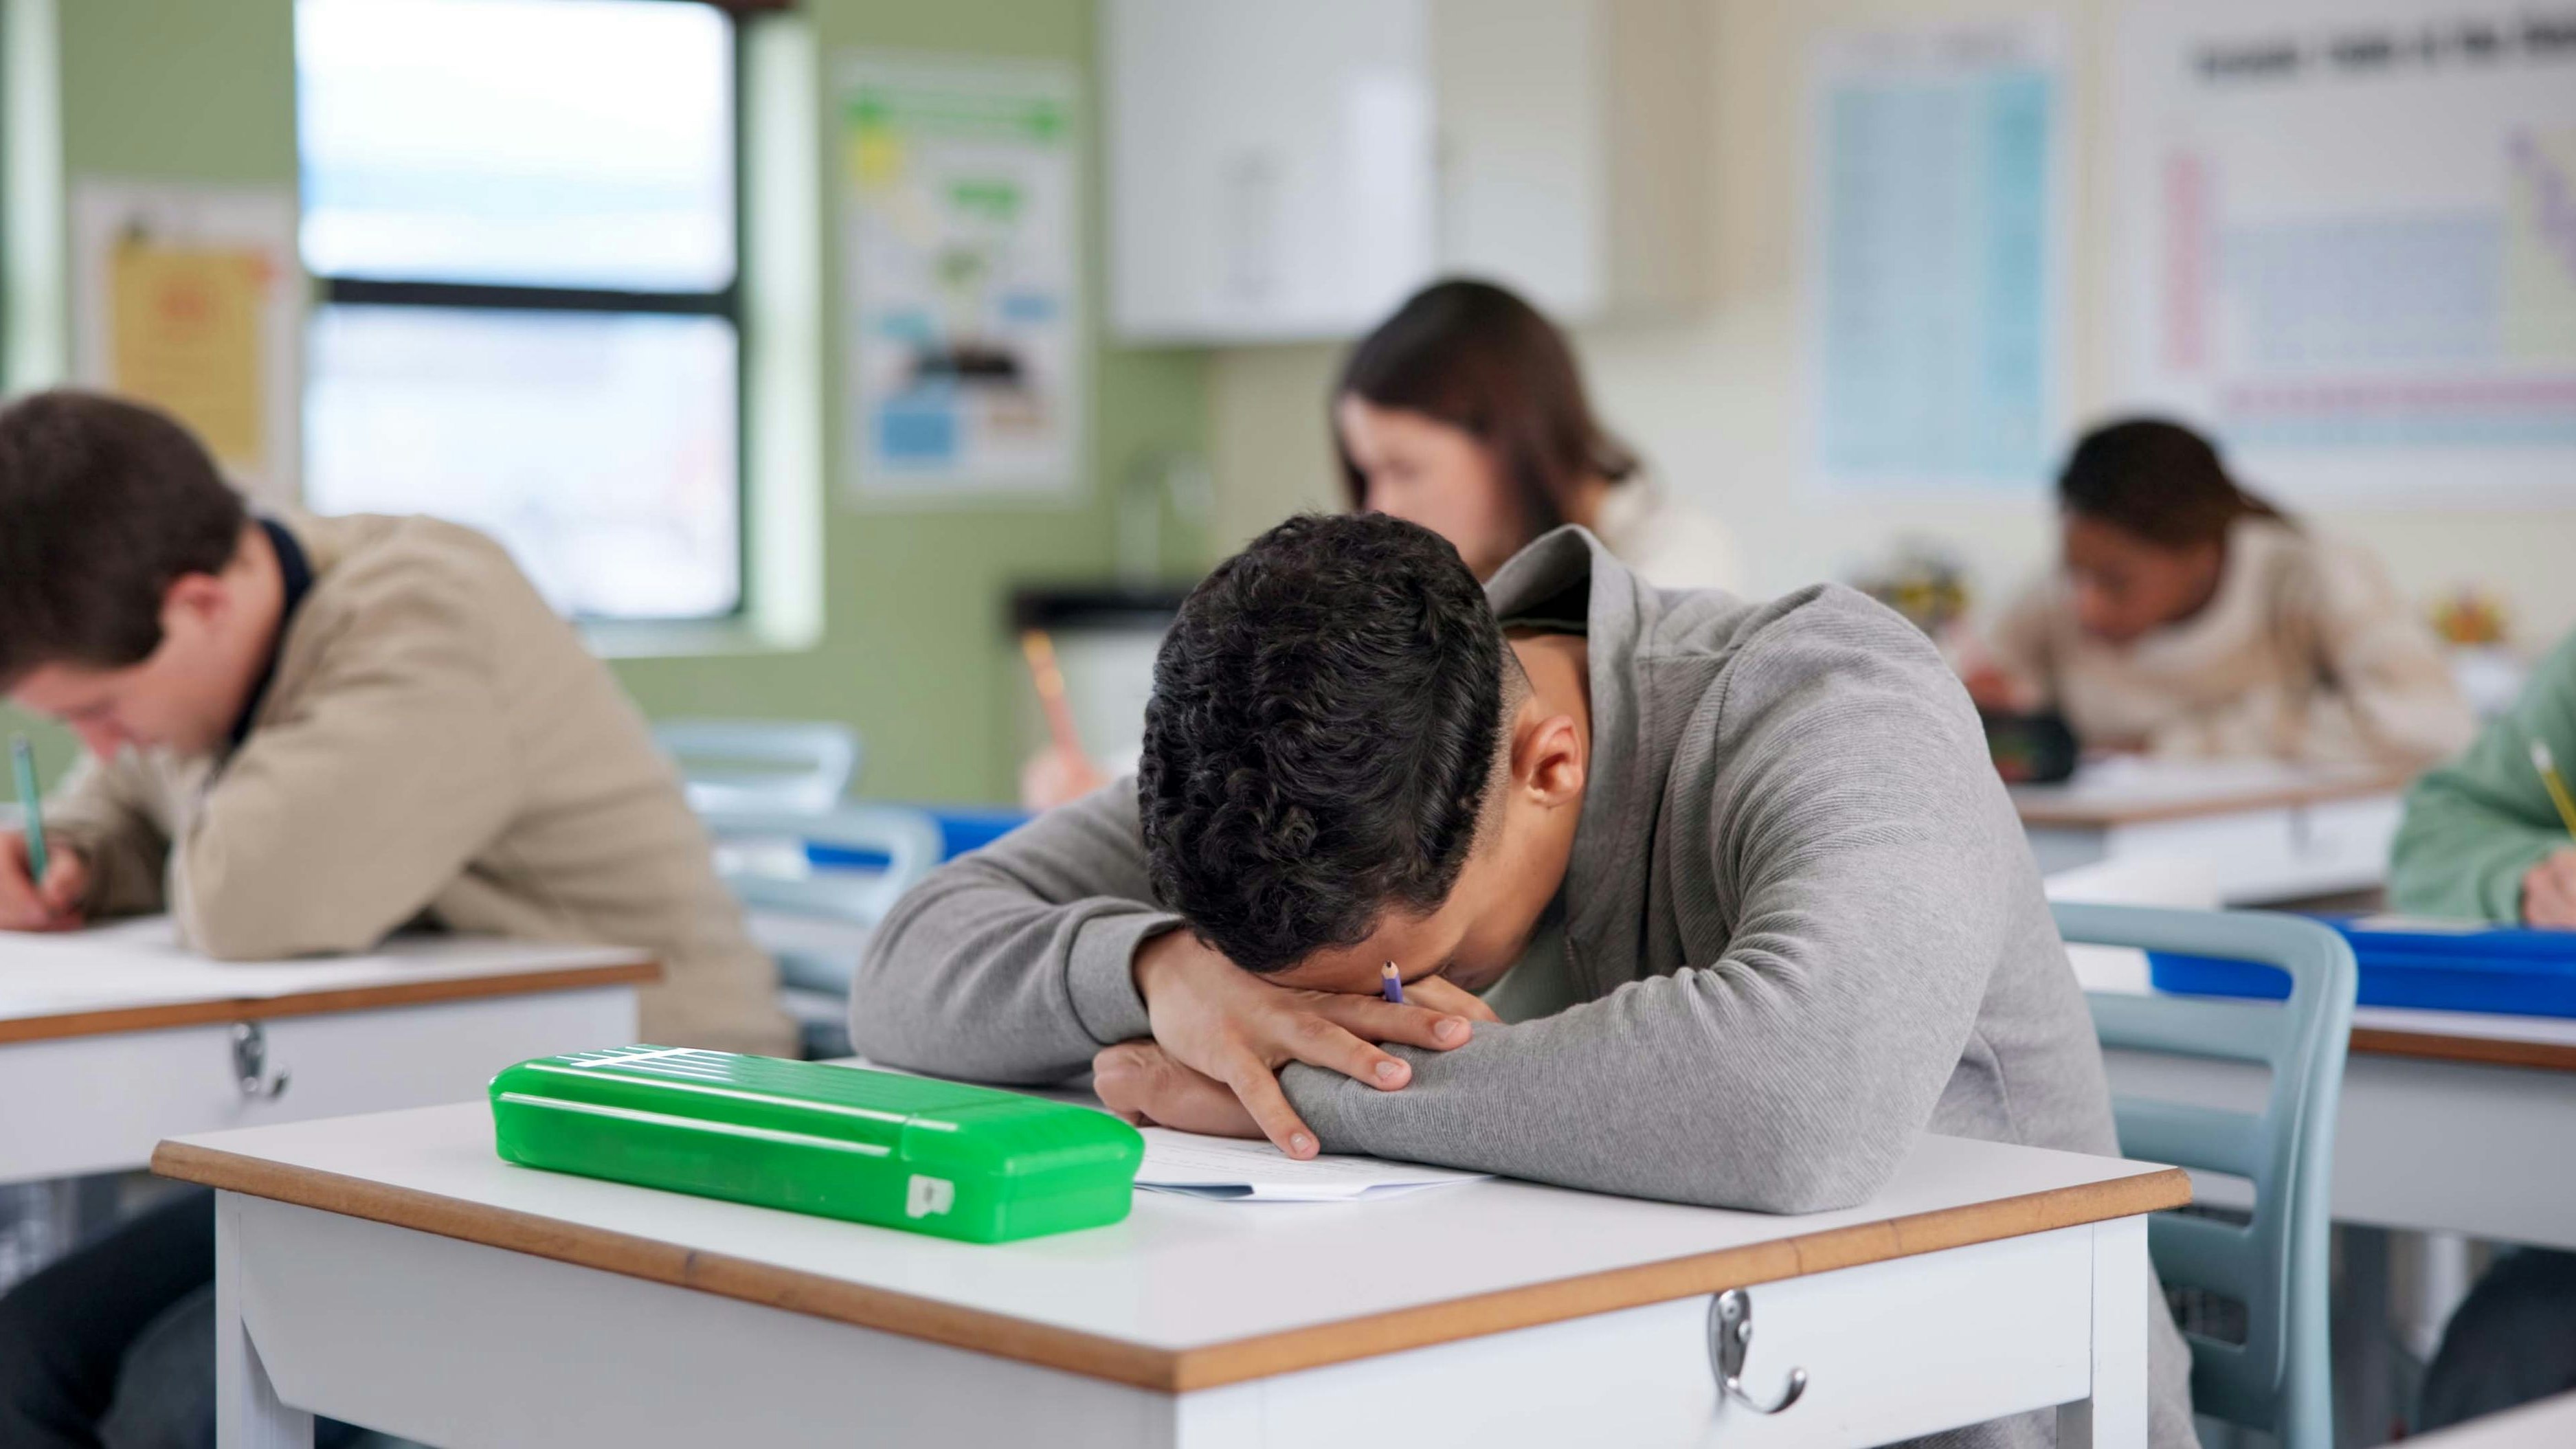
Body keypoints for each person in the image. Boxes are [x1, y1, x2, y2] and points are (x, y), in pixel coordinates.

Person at [852, 513, 2197, 1448]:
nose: (1331, 1014)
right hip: (1616, 1381)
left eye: (1391, 977)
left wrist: (1278, 1087)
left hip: (1959, 1408)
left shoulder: (1830, 695)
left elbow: (1800, 1095)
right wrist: (1163, 969)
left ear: (1547, 765)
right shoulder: (1311, 737)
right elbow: (905, 964)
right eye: (1293, 997)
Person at [0, 389, 794, 1449]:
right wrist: (81, 858)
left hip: (644, 1133)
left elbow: (250, 895)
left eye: (100, 711)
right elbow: (142, 808)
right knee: (21, 1354)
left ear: (199, 602)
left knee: (173, 1408)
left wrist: (141, 819)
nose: (99, 745)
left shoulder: (430, 613)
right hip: (401, 1131)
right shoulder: (218, 637)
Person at [1967, 418, 2472, 770]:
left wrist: (2172, 746)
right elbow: (1957, 682)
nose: (2085, 605)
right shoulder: (2057, 593)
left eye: (2115, 583)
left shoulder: (2309, 575)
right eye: (2073, 574)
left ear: (2200, 551)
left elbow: (2430, 722)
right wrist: (1983, 706)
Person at [1334, 278, 1737, 589]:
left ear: (1511, 446)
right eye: (1367, 474)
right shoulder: (1470, 575)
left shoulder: (1678, 558)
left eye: (1406, 470)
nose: (1381, 507)